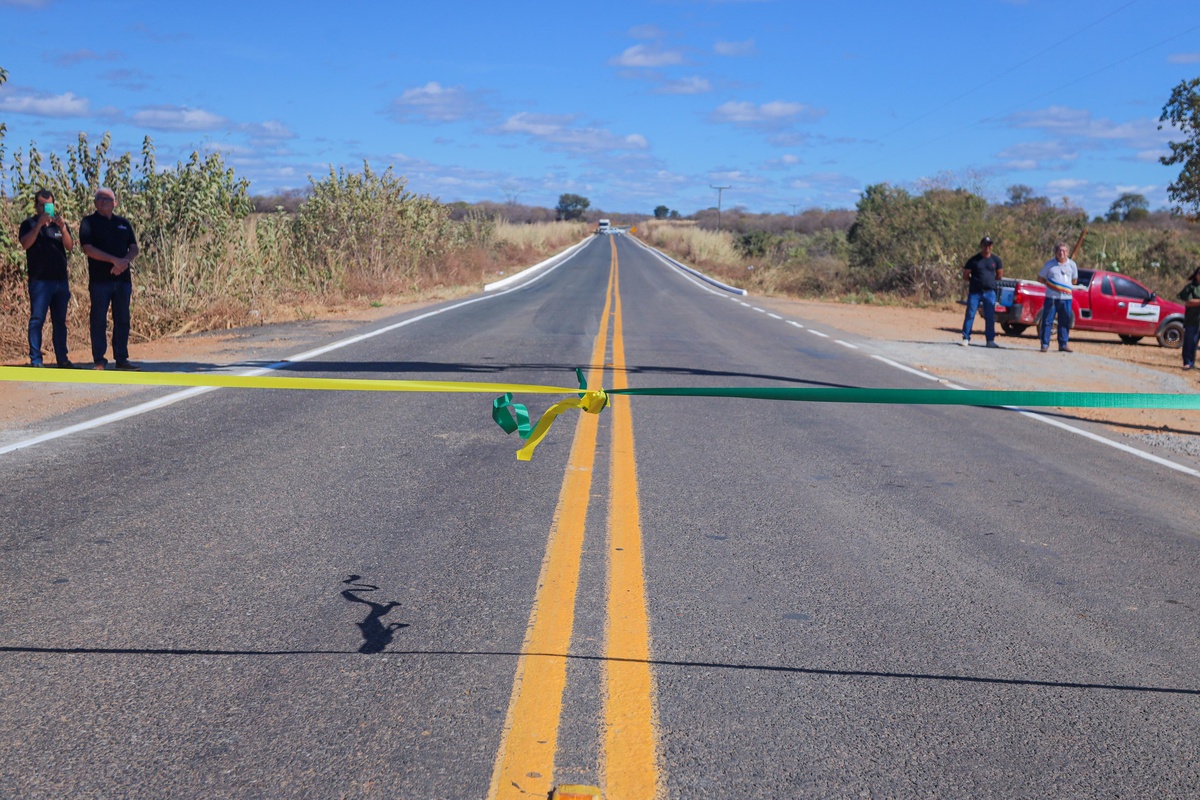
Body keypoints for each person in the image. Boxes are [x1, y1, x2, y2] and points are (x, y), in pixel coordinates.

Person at [79, 187, 140, 370]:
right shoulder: (88, 222)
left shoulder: (123, 223)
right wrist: (114, 260)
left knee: (122, 318)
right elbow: (87, 248)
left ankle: (121, 359)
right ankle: (99, 360)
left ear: (115, 203)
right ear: (95, 202)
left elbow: (134, 247)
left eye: (107, 199)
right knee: (98, 319)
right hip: (100, 281)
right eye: (100, 198)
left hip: (122, 280)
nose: (103, 201)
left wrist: (125, 262)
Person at [18, 188, 75, 367]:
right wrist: (38, 225)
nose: (45, 209)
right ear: (36, 206)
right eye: (42, 205)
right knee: (37, 319)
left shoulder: (58, 226)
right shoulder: (28, 224)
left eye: (48, 205)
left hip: (60, 281)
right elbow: (25, 244)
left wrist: (63, 228)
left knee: (60, 321)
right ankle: (36, 360)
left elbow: (70, 246)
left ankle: (62, 359)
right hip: (40, 282)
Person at [961, 235, 1003, 348]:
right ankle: (966, 337)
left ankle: (990, 340)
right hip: (975, 292)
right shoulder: (974, 260)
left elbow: (999, 275)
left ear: (991, 247)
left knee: (990, 316)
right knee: (970, 314)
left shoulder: (996, 260)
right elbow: (966, 275)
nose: (987, 248)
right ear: (981, 246)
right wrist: (974, 281)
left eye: (989, 245)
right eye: (985, 245)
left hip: (990, 292)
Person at [1037, 242, 1079, 352]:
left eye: (1064, 251)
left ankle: (1063, 344)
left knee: (1064, 321)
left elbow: (1074, 280)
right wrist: (1052, 285)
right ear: (1055, 252)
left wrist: (1063, 287)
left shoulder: (1072, 265)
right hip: (1052, 298)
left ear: (1068, 253)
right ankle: (1045, 344)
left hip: (1066, 299)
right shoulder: (1049, 264)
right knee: (1047, 321)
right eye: (1059, 251)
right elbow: (1040, 278)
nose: (1062, 253)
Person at [1177, 266, 1200, 370]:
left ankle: (1193, 363)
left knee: (1195, 344)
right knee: (1190, 342)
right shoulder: (1191, 287)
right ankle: (1188, 363)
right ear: (1196, 275)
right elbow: (1188, 302)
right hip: (1193, 320)